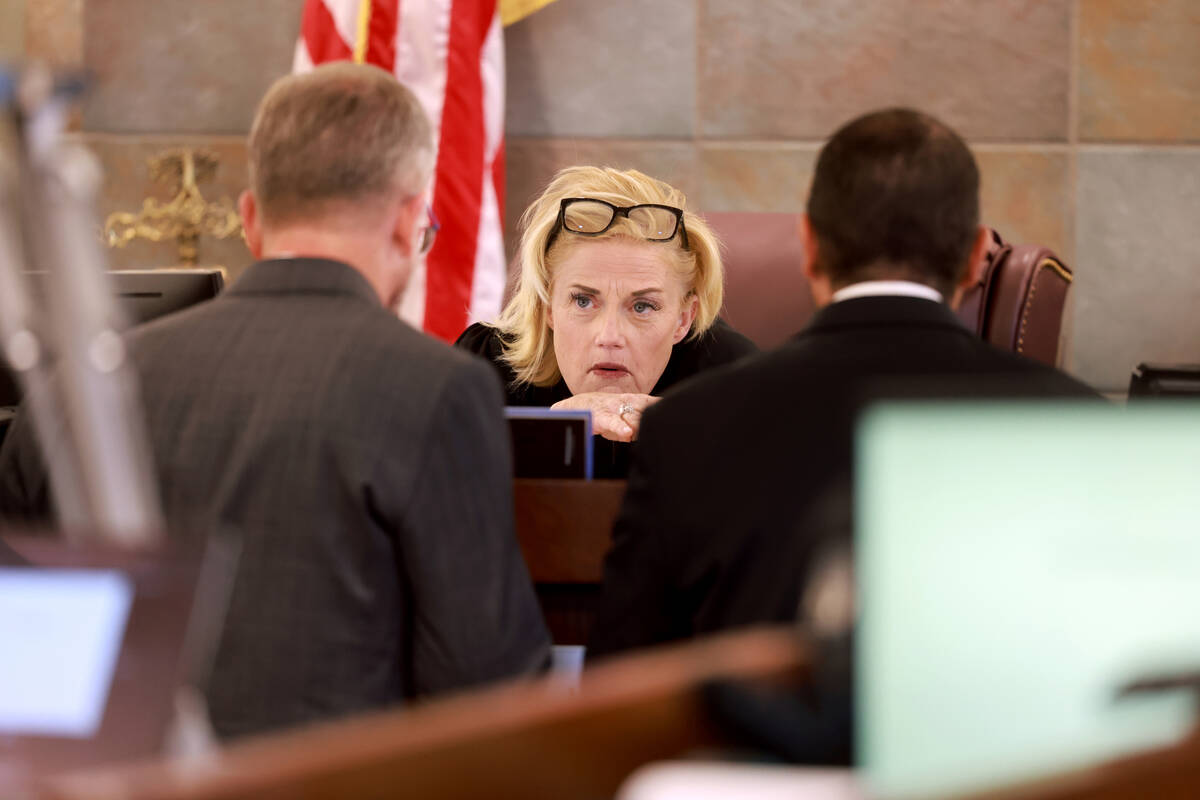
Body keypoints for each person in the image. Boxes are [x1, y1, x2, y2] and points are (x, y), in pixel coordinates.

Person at [0, 63, 549, 739]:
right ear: (410, 225)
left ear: (251, 218)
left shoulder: (73, 394)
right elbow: (487, 688)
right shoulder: (437, 388)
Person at [587, 108, 1099, 762]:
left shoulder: (684, 427)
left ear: (809, 247)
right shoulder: (1076, 425)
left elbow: (622, 690)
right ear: (975, 256)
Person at [456, 166, 756, 478]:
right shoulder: (486, 368)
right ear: (548, 307)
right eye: (583, 301)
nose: (609, 336)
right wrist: (543, 435)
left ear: (683, 319)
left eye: (642, 306)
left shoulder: (733, 380)